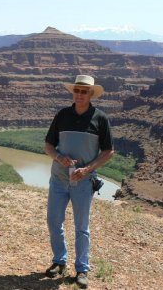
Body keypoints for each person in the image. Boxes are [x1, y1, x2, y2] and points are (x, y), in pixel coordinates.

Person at [44, 75, 114, 288]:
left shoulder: (99, 118)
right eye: (77, 90)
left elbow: (109, 151)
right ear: (72, 92)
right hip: (58, 179)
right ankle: (59, 261)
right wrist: (59, 157)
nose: (80, 94)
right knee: (54, 222)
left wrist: (87, 169)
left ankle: (82, 269)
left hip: (83, 182)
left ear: (91, 94)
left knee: (82, 227)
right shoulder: (62, 115)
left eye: (84, 91)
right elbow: (48, 145)